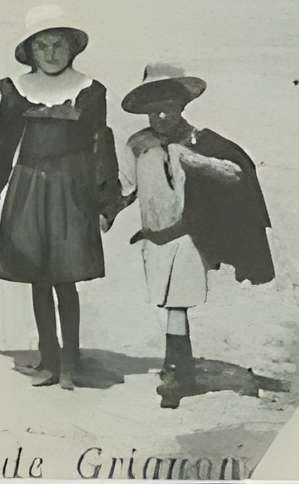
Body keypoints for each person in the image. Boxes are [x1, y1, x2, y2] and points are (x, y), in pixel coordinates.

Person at [0, 4, 121, 389]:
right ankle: (48, 357)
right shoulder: (17, 90)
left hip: (72, 188)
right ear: (31, 50)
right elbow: (1, 143)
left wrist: (107, 202)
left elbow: (99, 145)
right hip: (29, 187)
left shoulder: (89, 91)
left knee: (65, 277)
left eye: (58, 45)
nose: (52, 53)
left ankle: (71, 361)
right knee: (36, 275)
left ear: (72, 48)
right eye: (43, 46)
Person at [115, 61, 274, 409]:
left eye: (167, 109)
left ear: (181, 106)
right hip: (152, 237)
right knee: (165, 302)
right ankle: (180, 362)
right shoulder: (138, 144)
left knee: (176, 301)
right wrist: (104, 212)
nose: (160, 118)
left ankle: (176, 372)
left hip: (187, 235)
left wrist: (192, 160)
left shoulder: (199, 142)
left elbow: (236, 174)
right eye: (153, 111)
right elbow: (126, 188)